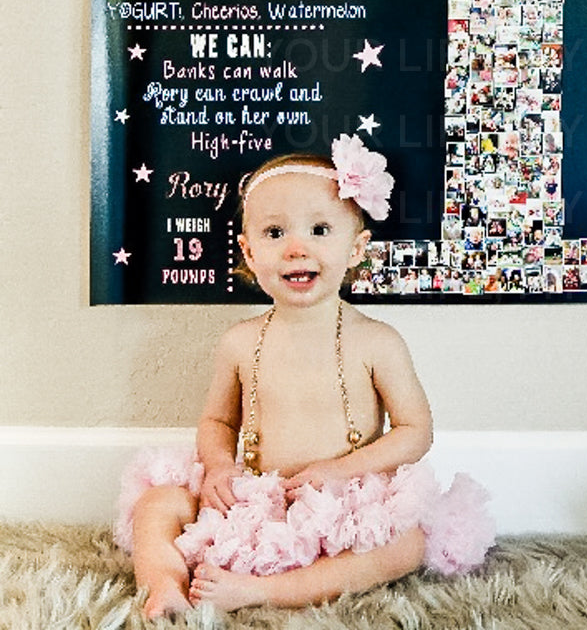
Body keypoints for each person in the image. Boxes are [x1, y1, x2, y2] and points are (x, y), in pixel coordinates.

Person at [115, 134, 495, 617]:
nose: (297, 248)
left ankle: (262, 591)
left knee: (406, 545)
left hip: (342, 502)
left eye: (319, 229)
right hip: (254, 496)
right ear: (250, 252)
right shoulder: (240, 341)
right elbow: (217, 423)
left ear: (356, 248)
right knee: (158, 505)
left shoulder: (376, 341)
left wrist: (338, 472)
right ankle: (164, 584)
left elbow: (415, 431)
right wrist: (219, 468)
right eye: (275, 234)